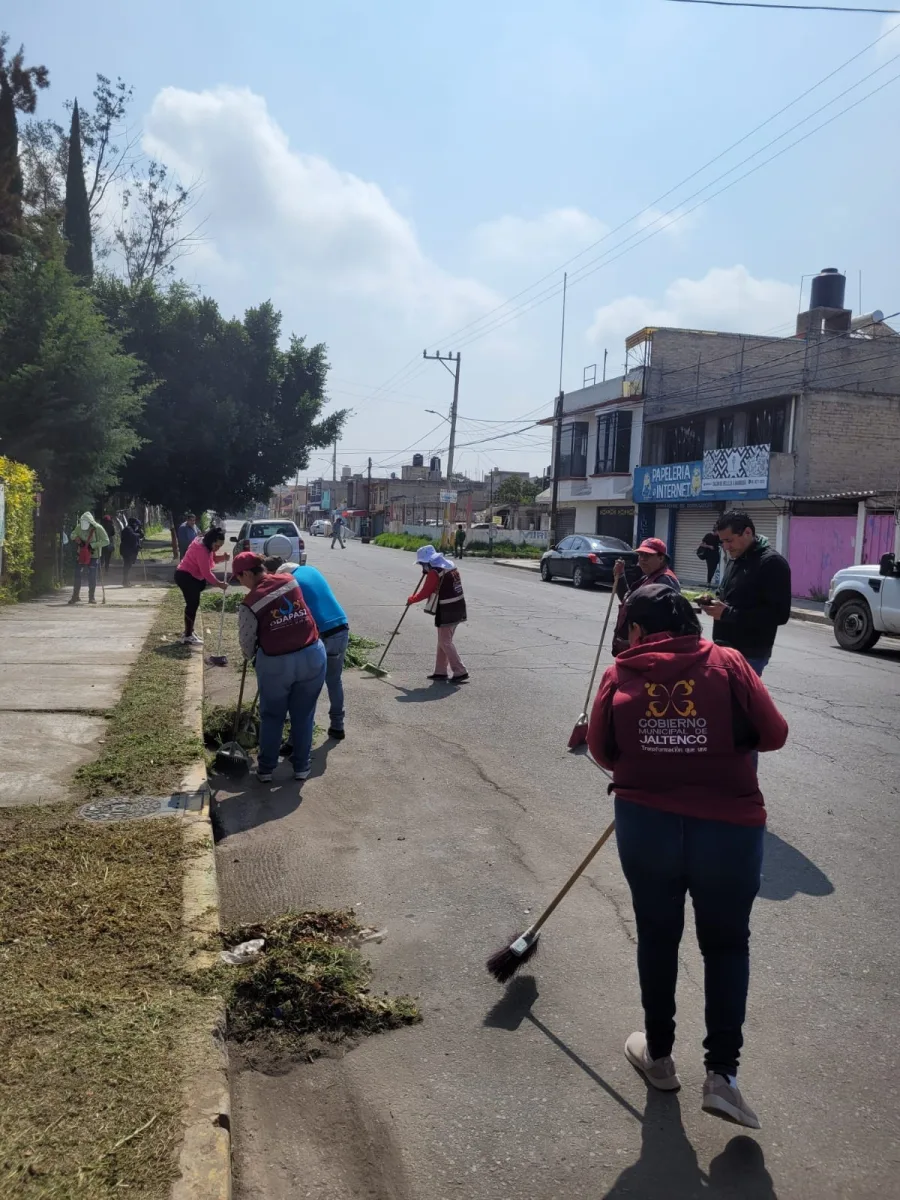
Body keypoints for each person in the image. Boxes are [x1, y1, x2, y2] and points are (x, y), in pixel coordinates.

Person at [587, 584, 788, 1131]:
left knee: (658, 937)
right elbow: (774, 736)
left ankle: (659, 1056)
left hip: (647, 827)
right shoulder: (730, 663)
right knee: (726, 946)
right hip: (729, 830)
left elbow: (604, 753)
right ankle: (722, 1078)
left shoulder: (619, 674)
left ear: (635, 630)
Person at [233, 552, 327, 782]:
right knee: (303, 714)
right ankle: (302, 768)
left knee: (273, 715)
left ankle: (266, 770)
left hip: (277, 664)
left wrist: (251, 654)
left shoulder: (249, 603)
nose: (240, 584)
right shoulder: (289, 580)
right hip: (312, 655)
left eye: (238, 578)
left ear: (246, 573)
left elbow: (246, 644)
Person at [697, 510, 792, 679]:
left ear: (747, 532)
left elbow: (779, 615)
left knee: (737, 703)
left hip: (749, 654)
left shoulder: (772, 563)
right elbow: (730, 594)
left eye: (729, 540)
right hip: (724, 647)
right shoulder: (736, 559)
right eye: (722, 542)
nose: (725, 547)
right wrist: (714, 601)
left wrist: (727, 613)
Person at [406, 543, 468, 683]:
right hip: (457, 605)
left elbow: (426, 591)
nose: (422, 567)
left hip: (448, 608)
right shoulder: (449, 565)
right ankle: (440, 671)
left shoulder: (435, 572)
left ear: (428, 562)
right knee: (443, 640)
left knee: (445, 641)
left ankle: (460, 671)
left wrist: (412, 599)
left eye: (423, 564)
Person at [611, 537, 680, 655]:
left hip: (646, 650)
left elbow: (661, 622)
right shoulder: (649, 577)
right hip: (633, 646)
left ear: (661, 558)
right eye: (640, 555)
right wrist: (620, 575)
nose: (642, 560)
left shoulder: (664, 581)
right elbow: (628, 601)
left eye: (647, 556)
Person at [174, 525, 227, 644]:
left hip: (191, 576)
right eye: (217, 545)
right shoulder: (201, 550)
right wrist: (219, 584)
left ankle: (189, 631)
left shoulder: (207, 546)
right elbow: (206, 573)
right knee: (192, 604)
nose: (217, 548)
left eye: (220, 546)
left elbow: (212, 559)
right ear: (211, 541)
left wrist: (223, 557)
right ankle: (187, 636)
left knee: (193, 604)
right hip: (185, 576)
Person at [68, 512, 109, 605]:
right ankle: (75, 596)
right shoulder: (79, 527)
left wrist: (93, 545)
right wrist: (77, 538)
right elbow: (72, 534)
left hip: (94, 555)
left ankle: (91, 597)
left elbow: (106, 541)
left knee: (92, 575)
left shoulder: (98, 528)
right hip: (81, 554)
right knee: (77, 574)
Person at [119, 518, 142, 588]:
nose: (137, 526)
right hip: (126, 551)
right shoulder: (127, 529)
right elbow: (131, 537)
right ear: (134, 524)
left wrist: (138, 546)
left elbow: (136, 540)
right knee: (127, 566)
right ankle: (125, 581)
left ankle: (126, 581)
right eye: (136, 525)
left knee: (128, 566)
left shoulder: (132, 530)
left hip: (130, 551)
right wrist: (138, 534)